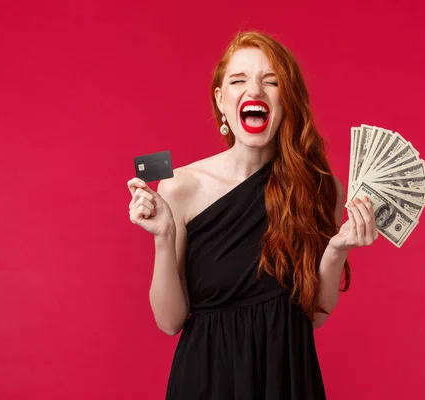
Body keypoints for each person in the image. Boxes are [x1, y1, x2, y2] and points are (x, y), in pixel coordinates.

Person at [126, 31, 378, 400]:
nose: (254, 91)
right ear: (221, 101)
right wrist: (163, 236)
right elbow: (169, 322)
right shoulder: (180, 186)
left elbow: (316, 316)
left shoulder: (322, 189)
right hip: (207, 381)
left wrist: (337, 250)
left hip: (288, 379)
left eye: (271, 81)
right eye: (238, 80)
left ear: (286, 100)